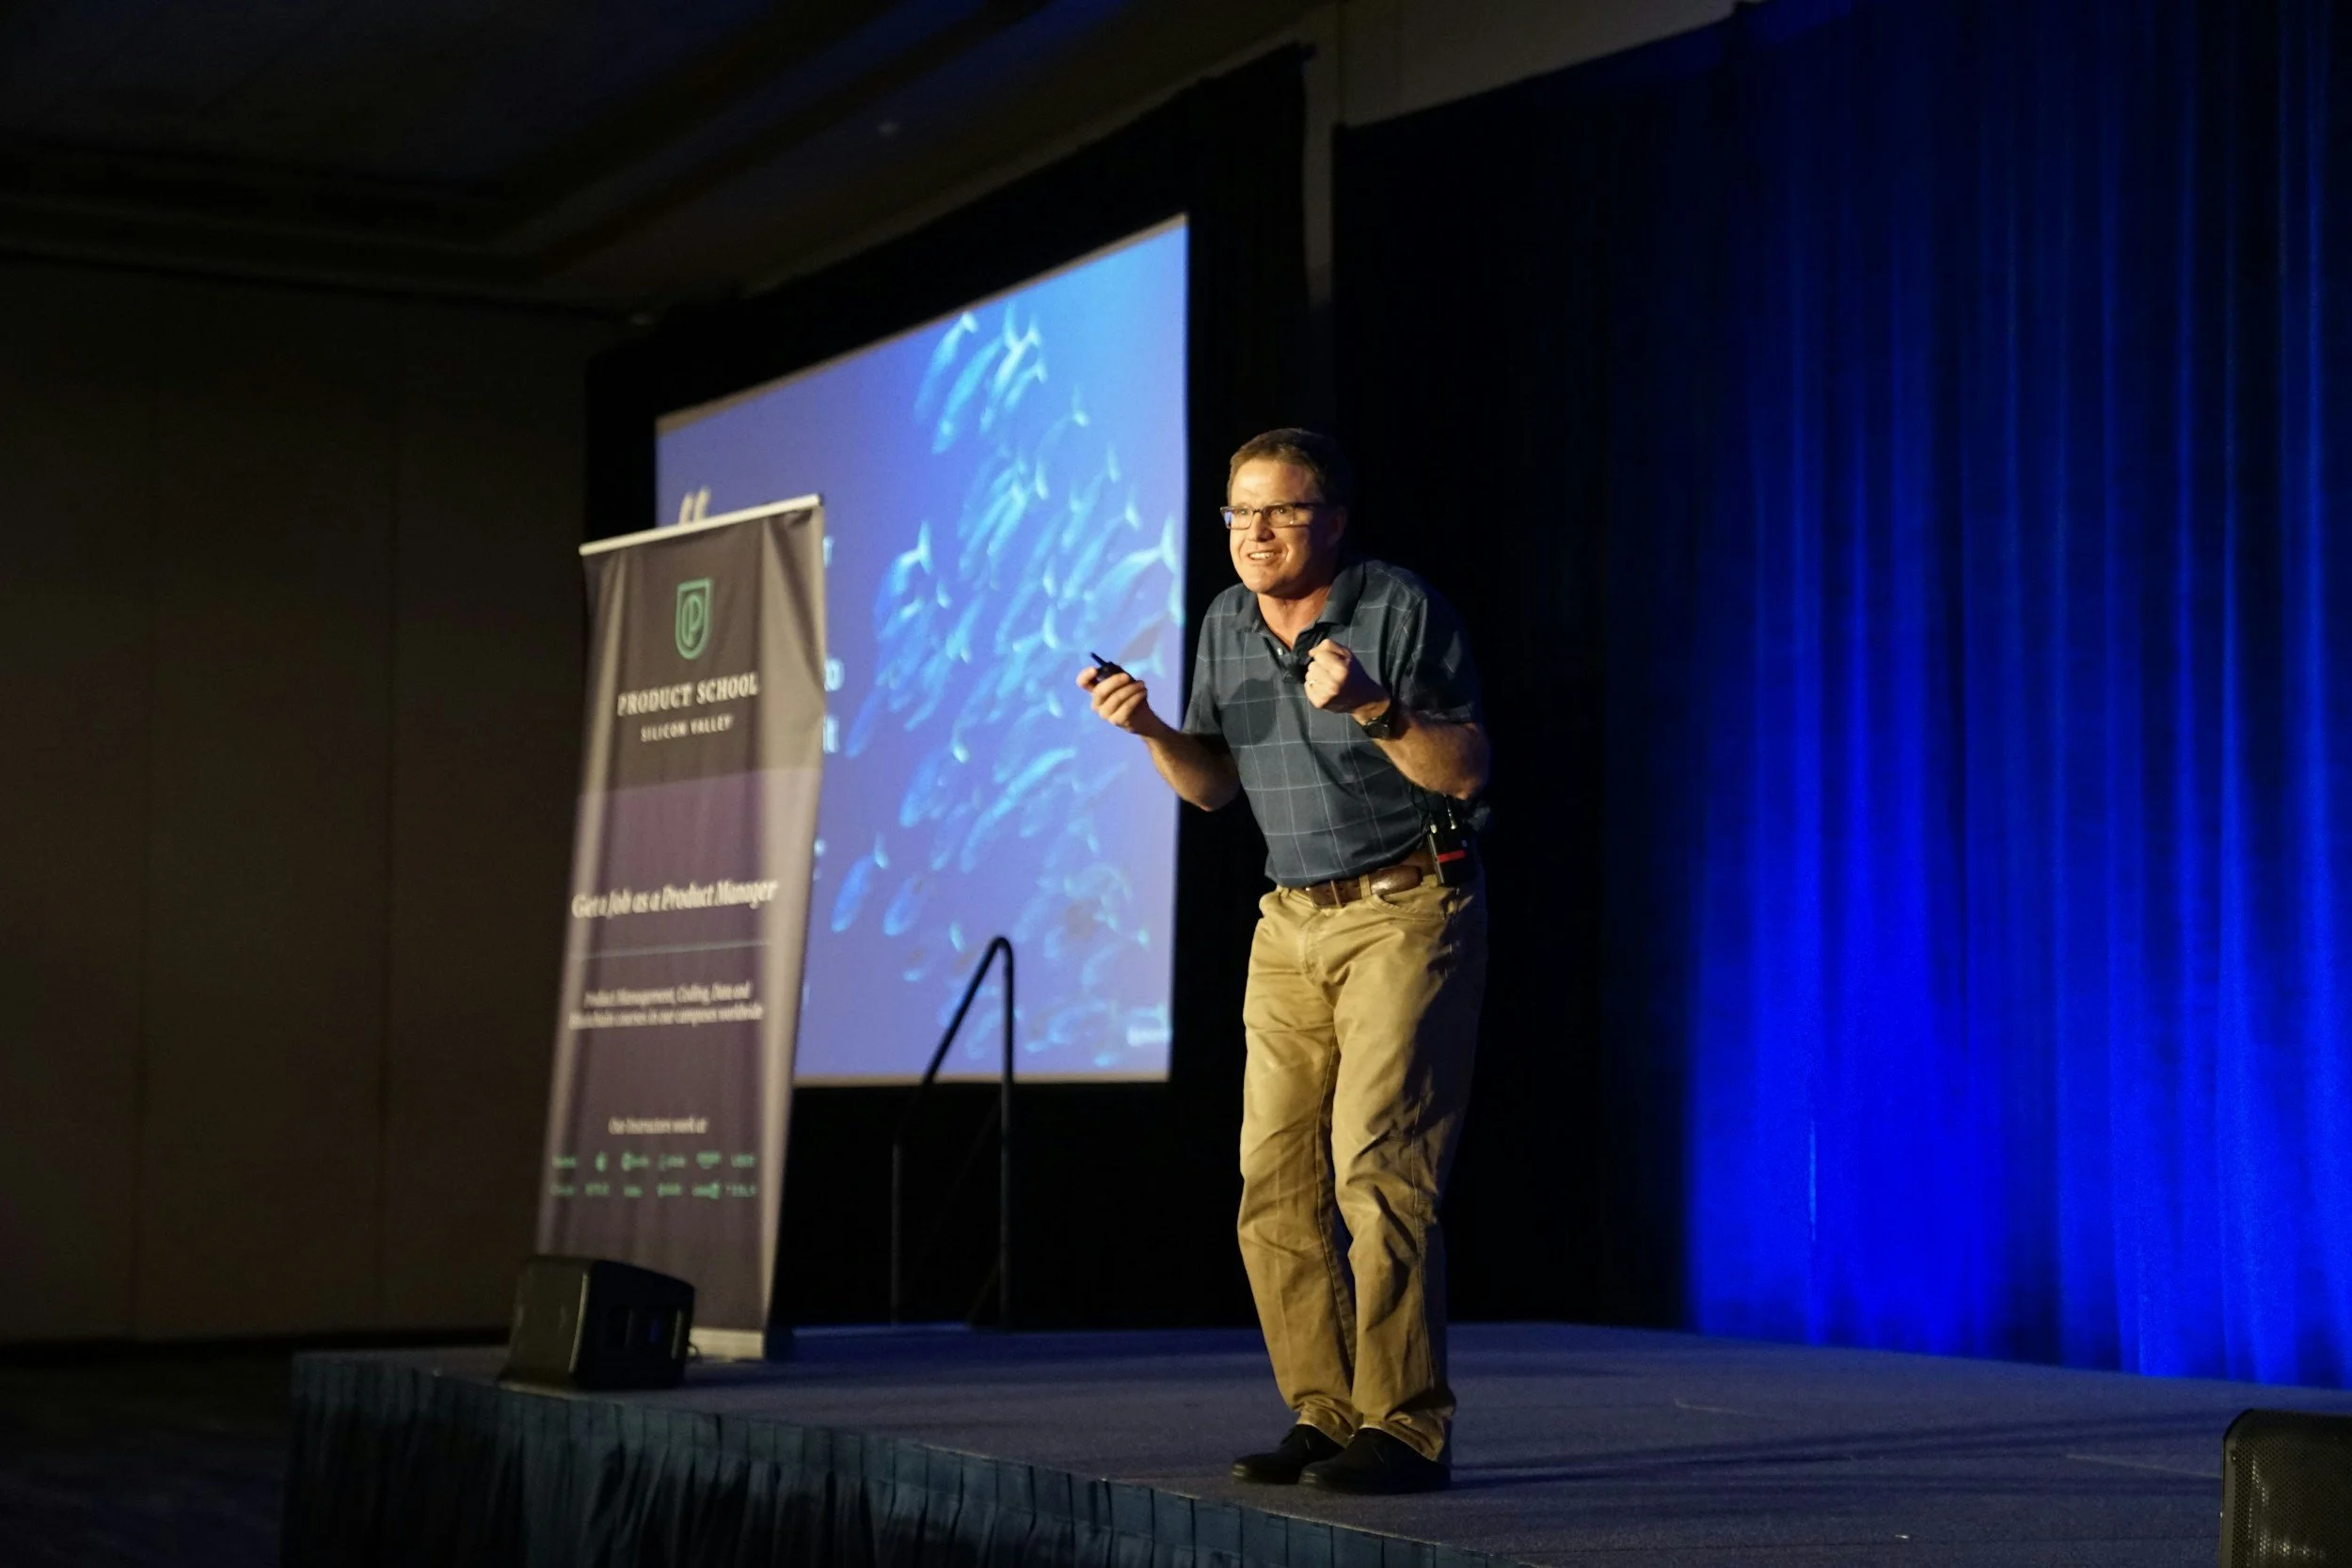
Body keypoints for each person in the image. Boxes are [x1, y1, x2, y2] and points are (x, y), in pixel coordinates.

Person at [1077, 428, 1489, 1496]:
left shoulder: (1397, 607)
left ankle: (1405, 1425)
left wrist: (1374, 706)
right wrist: (1151, 727)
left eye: (1283, 511)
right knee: (1273, 1179)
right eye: (1240, 512)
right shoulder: (1226, 620)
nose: (1256, 532)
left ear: (1333, 520)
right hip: (1289, 919)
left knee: (1377, 1169)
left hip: (1404, 905)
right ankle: (1327, 1410)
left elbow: (1463, 770)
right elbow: (1213, 786)